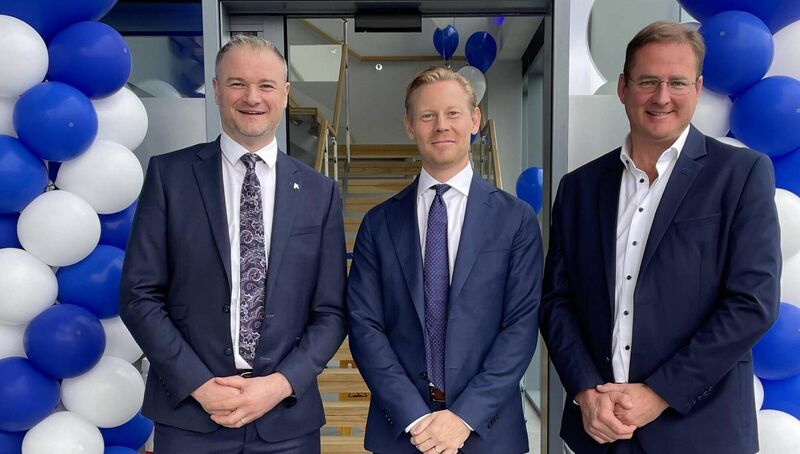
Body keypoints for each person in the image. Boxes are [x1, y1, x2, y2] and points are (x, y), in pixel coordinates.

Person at [539, 21, 781, 454]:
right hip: (601, 433)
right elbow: (558, 301)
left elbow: (752, 303)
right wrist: (585, 391)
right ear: (623, 87)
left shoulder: (741, 175)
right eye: (648, 81)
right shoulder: (578, 187)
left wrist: (659, 394)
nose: (662, 96)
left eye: (677, 82)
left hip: (700, 432)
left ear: (698, 87)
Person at [119, 35, 347, 453]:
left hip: (286, 421)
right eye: (237, 83)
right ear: (218, 89)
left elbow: (330, 312)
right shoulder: (170, 177)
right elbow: (139, 295)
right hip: (190, 415)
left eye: (265, 85)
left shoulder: (320, 192)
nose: (252, 97)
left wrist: (278, 385)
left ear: (285, 94)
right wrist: (201, 385)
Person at [346, 66, 542, 454]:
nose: (441, 126)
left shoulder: (515, 219)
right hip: (402, 431)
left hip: (488, 430)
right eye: (427, 116)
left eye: (453, 113)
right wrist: (417, 419)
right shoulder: (379, 223)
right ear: (409, 126)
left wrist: (463, 417)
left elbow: (520, 327)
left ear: (474, 120)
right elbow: (365, 326)